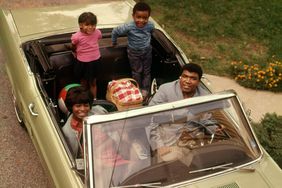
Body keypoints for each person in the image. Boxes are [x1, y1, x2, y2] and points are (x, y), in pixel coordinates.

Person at [148, 63, 210, 162]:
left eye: (193, 78)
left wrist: (211, 129)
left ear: (199, 81)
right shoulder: (165, 90)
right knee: (168, 165)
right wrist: (159, 146)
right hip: (166, 140)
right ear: (180, 77)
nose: (188, 81)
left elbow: (206, 120)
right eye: (185, 76)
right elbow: (150, 118)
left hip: (193, 141)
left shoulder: (204, 96)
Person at [111, 2, 155, 98]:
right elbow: (115, 31)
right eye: (138, 17)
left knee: (147, 71)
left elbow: (151, 32)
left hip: (147, 51)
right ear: (133, 16)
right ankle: (137, 89)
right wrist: (114, 42)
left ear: (148, 17)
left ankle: (146, 90)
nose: (141, 20)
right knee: (137, 71)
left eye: (145, 18)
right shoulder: (129, 27)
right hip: (134, 53)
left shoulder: (150, 25)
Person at [62, 86, 106, 158]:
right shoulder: (67, 133)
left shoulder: (100, 112)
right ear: (71, 107)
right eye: (78, 106)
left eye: (86, 105)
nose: (82, 109)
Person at [71, 12, 102, 99]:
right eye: (87, 25)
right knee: (83, 82)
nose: (91, 27)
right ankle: (83, 98)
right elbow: (74, 45)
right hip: (82, 62)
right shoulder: (76, 37)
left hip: (95, 61)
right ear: (80, 25)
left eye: (93, 25)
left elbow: (97, 39)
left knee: (93, 82)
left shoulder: (97, 32)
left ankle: (94, 99)